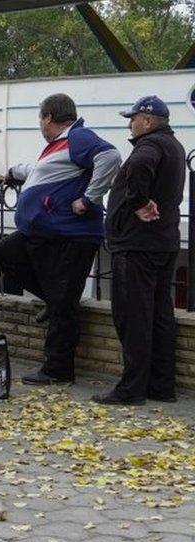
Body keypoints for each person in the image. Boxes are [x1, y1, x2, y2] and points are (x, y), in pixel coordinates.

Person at [0, 94, 121, 385]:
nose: (40, 124)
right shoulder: (60, 145)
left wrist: (88, 198)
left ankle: (58, 369)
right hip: (49, 232)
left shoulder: (80, 137)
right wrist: (14, 171)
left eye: (41, 118)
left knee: (64, 303)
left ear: (48, 117)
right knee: (3, 253)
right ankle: (52, 300)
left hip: (70, 235)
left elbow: (110, 156)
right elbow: (42, 173)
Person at [93, 96, 185, 405]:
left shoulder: (149, 146)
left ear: (147, 120)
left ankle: (131, 388)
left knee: (133, 316)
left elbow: (141, 169)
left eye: (133, 118)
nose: (130, 124)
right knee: (160, 314)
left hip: (137, 245)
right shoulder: (173, 145)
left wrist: (139, 201)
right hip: (163, 242)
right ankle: (161, 385)